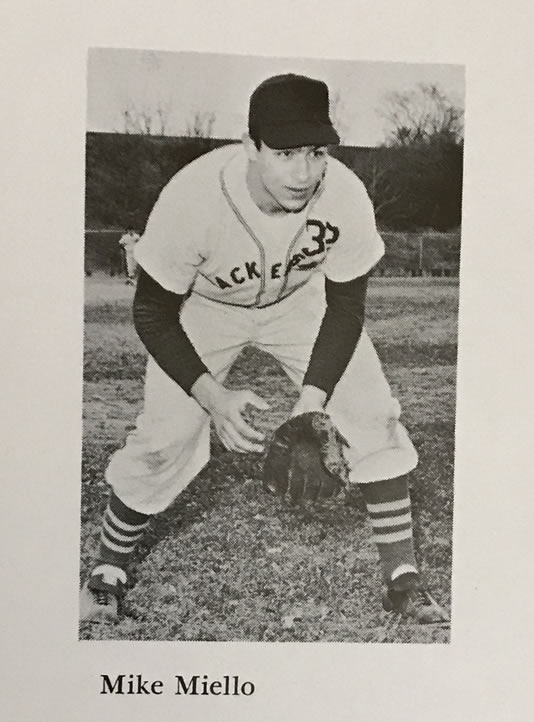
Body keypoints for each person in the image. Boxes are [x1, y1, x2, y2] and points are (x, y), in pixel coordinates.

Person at [80, 73, 448, 627]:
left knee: (373, 412)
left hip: (301, 303)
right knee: (165, 437)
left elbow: (345, 309)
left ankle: (404, 580)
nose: (303, 172)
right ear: (250, 147)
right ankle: (108, 573)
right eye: (284, 153)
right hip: (205, 310)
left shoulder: (344, 193)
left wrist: (311, 403)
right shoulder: (192, 196)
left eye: (316, 152)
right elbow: (152, 312)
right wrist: (212, 397)